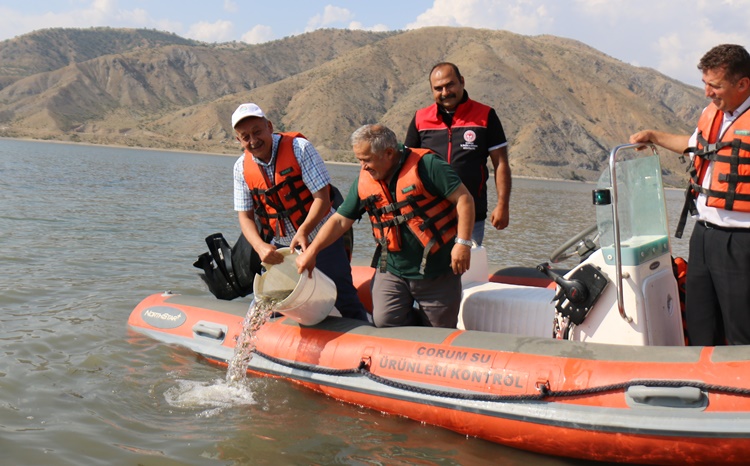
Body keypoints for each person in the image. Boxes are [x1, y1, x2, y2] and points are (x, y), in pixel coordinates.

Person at [295, 124, 475, 328]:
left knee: (437, 331)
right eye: (359, 160)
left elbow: (464, 199)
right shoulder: (366, 179)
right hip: (392, 269)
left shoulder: (429, 165)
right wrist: (313, 252)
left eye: (367, 159)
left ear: (389, 153)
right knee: (385, 321)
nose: (363, 166)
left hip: (436, 271)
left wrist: (462, 243)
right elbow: (340, 220)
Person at [629, 44, 750, 346]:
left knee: (740, 327)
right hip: (704, 236)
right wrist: (654, 136)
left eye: (715, 85)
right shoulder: (713, 114)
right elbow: (693, 144)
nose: (708, 92)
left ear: (742, 84)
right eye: (705, 84)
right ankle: (702, 387)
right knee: (700, 321)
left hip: (741, 242)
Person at [231, 102, 368, 322]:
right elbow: (245, 216)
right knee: (267, 306)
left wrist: (304, 231)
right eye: (245, 137)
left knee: (344, 297)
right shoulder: (240, 168)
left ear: (269, 126)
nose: (253, 140)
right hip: (282, 248)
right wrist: (260, 247)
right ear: (239, 140)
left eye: (257, 132)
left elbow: (322, 198)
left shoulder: (299, 149)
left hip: (322, 238)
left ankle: (364, 340)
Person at [404, 62, 511, 245]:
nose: (445, 92)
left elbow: (500, 163)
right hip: (427, 215)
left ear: (462, 81)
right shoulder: (421, 118)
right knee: (428, 271)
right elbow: (405, 165)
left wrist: (503, 205)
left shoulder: (485, 115)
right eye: (438, 88)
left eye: (450, 85)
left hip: (471, 216)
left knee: (466, 269)